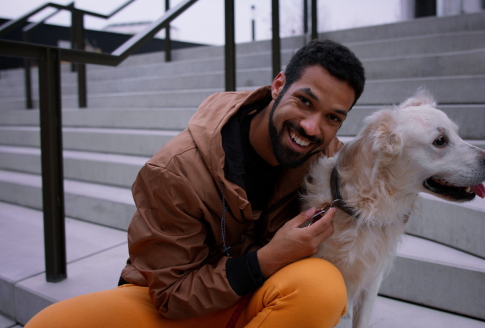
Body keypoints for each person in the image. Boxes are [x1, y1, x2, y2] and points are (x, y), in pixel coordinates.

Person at [26, 39, 366, 328]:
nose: (311, 127)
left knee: (322, 288)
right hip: (173, 304)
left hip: (261, 299)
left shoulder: (325, 160)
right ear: (278, 85)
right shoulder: (175, 169)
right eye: (304, 101)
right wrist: (269, 258)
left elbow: (382, 173)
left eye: (332, 117)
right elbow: (172, 295)